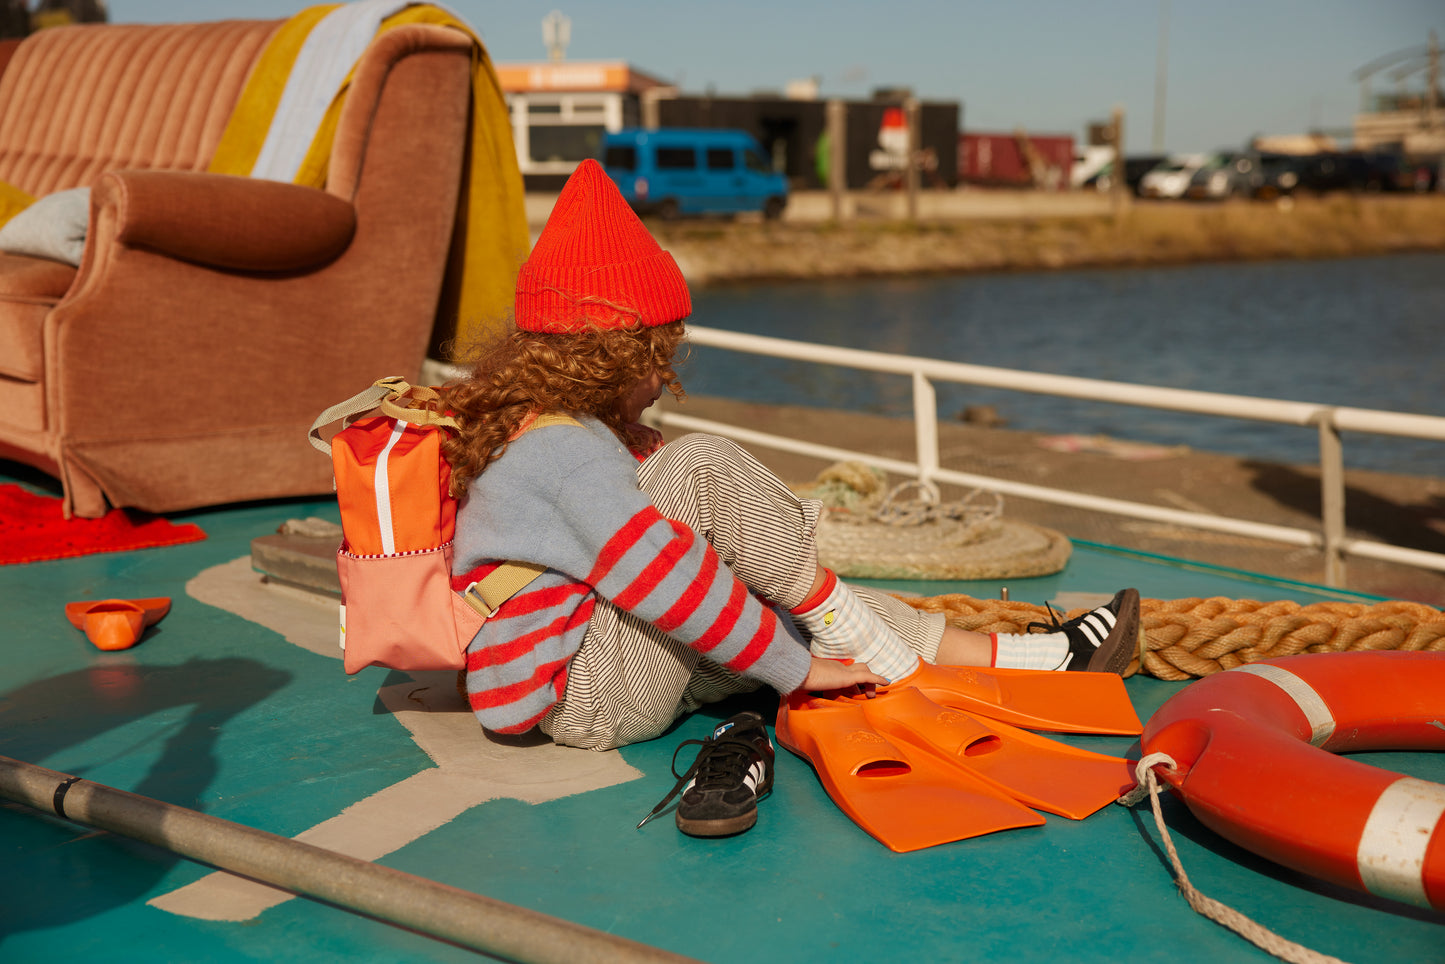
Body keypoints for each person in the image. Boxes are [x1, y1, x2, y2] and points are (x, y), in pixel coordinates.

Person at [441, 159, 1139, 835]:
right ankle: (863, 637)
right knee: (703, 468)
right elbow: (664, 581)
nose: (663, 380)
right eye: (658, 359)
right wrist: (798, 670)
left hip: (591, 664)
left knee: (788, 602)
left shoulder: (544, 424)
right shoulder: (566, 457)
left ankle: (1026, 658)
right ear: (614, 357)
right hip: (589, 694)